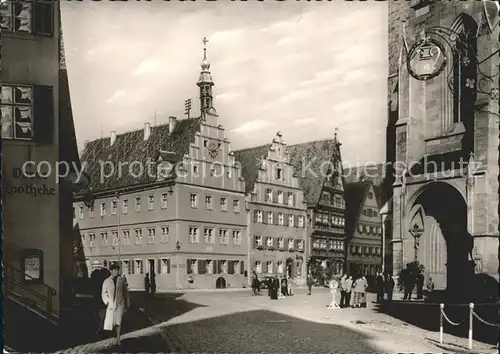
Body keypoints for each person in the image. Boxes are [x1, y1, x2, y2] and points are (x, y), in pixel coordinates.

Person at [102, 263, 130, 346]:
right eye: (115, 270)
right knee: (110, 323)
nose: (116, 271)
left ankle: (118, 339)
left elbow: (126, 292)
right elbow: (104, 293)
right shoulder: (107, 281)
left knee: (118, 322)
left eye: (117, 270)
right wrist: (107, 301)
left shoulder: (121, 280)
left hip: (120, 304)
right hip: (111, 304)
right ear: (111, 271)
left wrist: (127, 302)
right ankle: (111, 337)